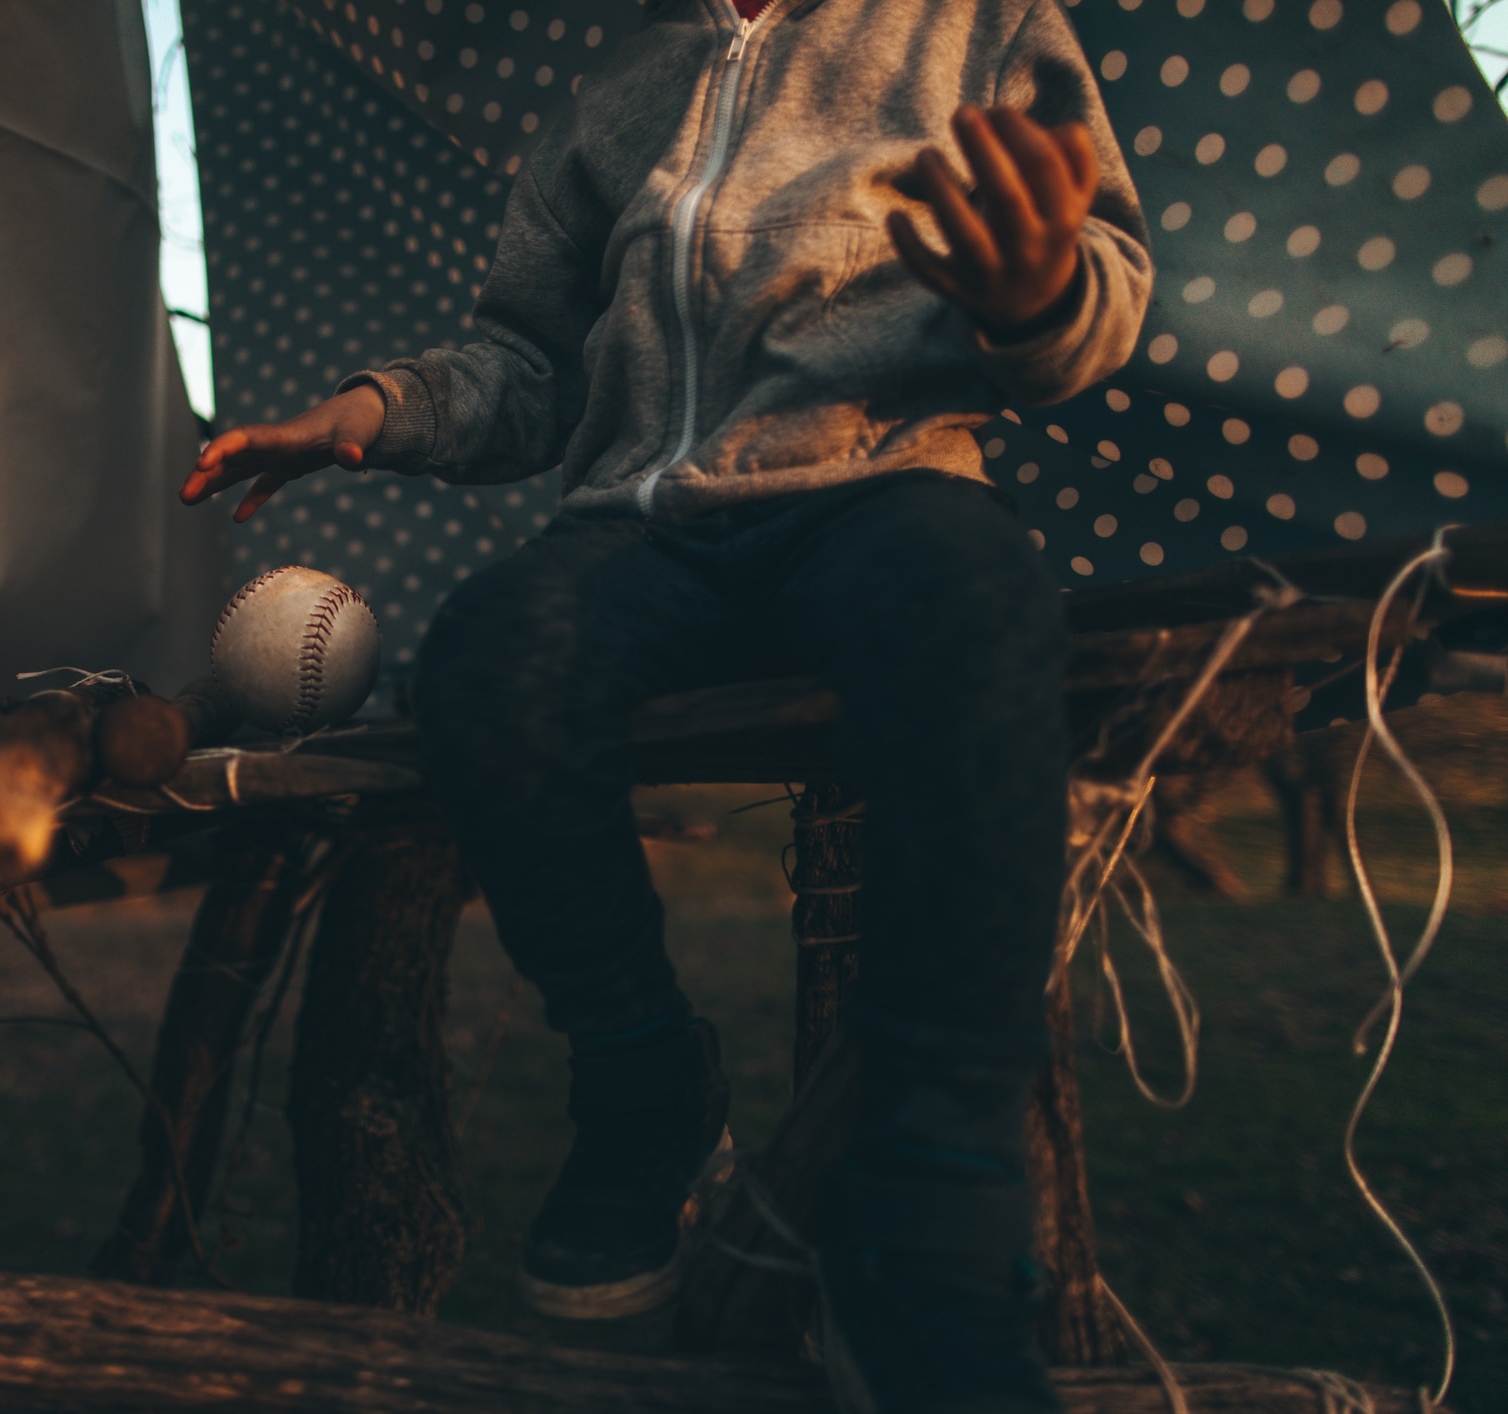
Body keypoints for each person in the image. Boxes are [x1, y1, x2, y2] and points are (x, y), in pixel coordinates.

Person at [182, 0, 1149, 1405]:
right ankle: (642, 1081)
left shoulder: (976, 25)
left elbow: (1101, 281)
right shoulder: (613, 92)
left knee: (980, 603)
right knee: (487, 658)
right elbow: (528, 367)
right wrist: (374, 411)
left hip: (883, 487)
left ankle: (937, 1193)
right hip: (646, 529)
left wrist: (1042, 293)